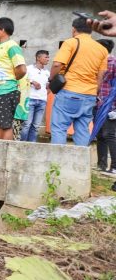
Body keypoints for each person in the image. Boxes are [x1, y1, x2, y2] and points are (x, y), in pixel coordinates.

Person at [49, 17, 108, 146]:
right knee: (82, 130)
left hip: (69, 91)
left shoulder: (71, 43)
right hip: (89, 95)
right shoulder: (102, 49)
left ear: (74, 29)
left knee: (59, 128)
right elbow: (101, 75)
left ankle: (57, 165)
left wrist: (51, 79)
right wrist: (94, 92)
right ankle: (80, 165)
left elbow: (57, 64)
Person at [0, 17, 27, 140]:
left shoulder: (12, 46)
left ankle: (5, 155)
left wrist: (10, 81)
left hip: (7, 91)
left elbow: (22, 69)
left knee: (6, 125)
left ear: (2, 30)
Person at [20, 50, 50, 142]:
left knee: (36, 126)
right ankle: (22, 144)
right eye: (46, 57)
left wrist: (45, 93)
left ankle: (32, 145)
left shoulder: (47, 72)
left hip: (42, 101)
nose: (48, 59)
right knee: (26, 124)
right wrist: (32, 82)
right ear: (38, 58)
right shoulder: (28, 69)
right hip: (30, 99)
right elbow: (20, 80)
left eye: (48, 57)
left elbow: (48, 87)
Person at [95, 39, 116, 173]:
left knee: (110, 134)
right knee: (100, 134)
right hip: (97, 102)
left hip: (110, 104)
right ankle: (101, 165)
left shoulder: (113, 62)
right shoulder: (97, 62)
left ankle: (114, 166)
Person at [13, 76, 31, 141]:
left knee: (17, 129)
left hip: (20, 108)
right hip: (20, 109)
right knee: (16, 129)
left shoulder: (24, 77)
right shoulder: (24, 77)